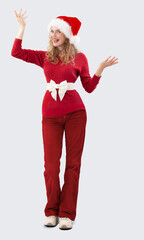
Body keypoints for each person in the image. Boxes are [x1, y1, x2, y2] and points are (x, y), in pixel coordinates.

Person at [11, 8, 119, 230]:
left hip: (76, 114)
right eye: (51, 31)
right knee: (51, 166)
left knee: (73, 165)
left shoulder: (80, 58)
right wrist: (22, 28)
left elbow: (88, 87)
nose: (53, 34)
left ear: (67, 35)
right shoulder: (45, 56)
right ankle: (51, 211)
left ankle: (67, 213)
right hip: (50, 116)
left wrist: (100, 69)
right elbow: (17, 53)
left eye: (57, 30)